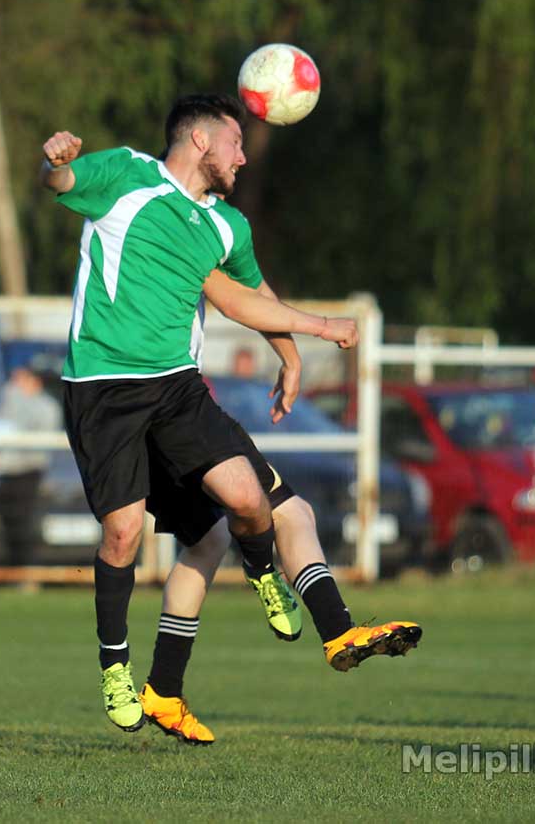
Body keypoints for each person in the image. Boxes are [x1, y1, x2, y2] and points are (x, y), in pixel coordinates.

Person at [40, 94, 360, 732]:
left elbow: (252, 294)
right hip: (102, 389)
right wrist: (58, 161)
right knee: (123, 535)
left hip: (177, 388)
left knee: (248, 498)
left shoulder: (226, 226)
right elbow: (65, 180)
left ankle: (265, 571)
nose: (244, 155)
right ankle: (114, 670)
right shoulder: (128, 175)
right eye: (236, 142)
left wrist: (291, 355)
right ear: (200, 140)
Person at [138, 271, 422, 744]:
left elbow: (252, 291)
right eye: (228, 187)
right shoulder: (189, 217)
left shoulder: (187, 216)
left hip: (147, 407)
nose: (233, 189)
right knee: (289, 512)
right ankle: (333, 626)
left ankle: (164, 690)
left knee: (208, 540)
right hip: (174, 403)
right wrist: (323, 327)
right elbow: (239, 301)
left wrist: (289, 358)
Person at [0, 365, 63, 561]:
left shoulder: (46, 407)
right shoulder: (9, 401)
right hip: (7, 471)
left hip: (29, 470)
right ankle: (13, 567)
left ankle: (27, 569)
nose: (14, 384)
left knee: (25, 521)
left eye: (20, 379)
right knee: (9, 522)